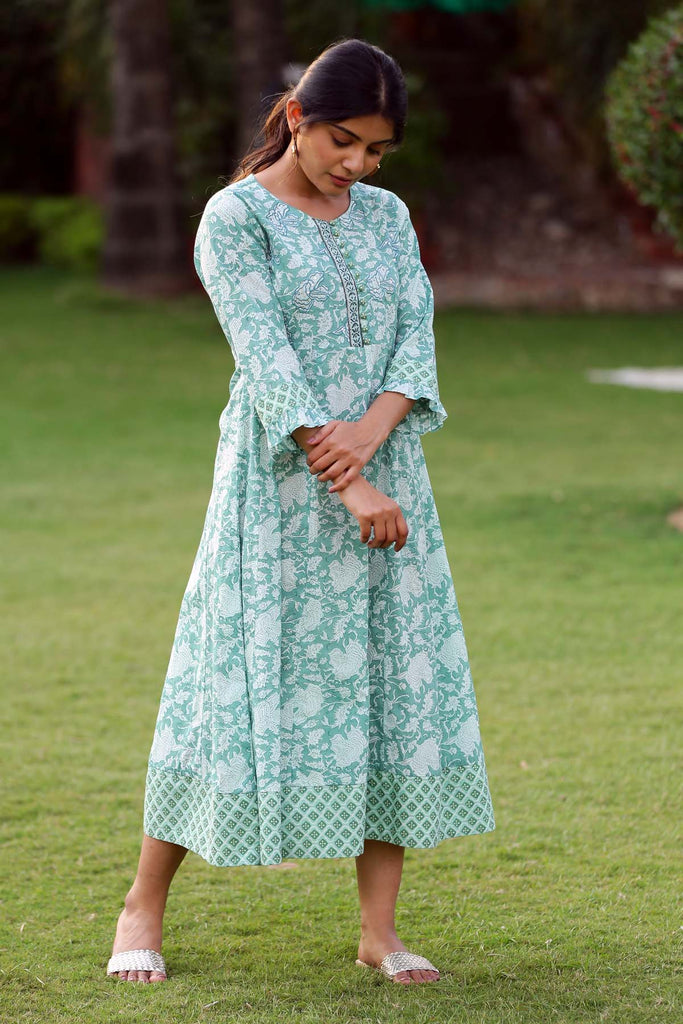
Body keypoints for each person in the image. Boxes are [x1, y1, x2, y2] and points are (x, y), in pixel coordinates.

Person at [107, 36, 495, 988]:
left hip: (388, 474)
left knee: (388, 686)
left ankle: (379, 932)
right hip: (279, 494)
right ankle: (140, 906)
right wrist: (346, 471)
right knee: (223, 688)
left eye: (375, 151)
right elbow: (265, 358)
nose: (358, 165)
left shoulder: (387, 214)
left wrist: (376, 436)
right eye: (344, 142)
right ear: (295, 118)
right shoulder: (233, 219)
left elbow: (415, 325)